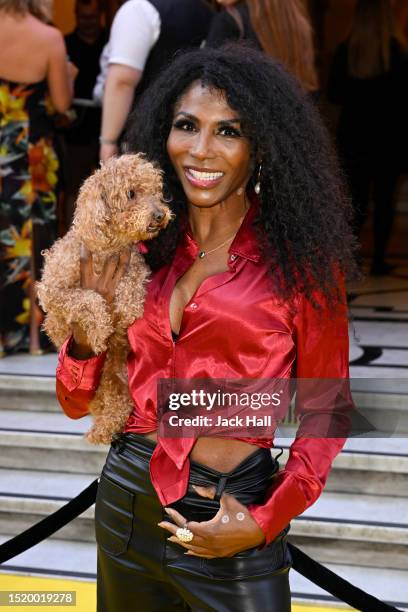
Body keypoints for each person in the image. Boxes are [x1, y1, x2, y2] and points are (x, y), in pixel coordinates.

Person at [55, 45, 357, 610]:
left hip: (231, 521)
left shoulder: (301, 264)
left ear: (260, 146)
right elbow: (74, 400)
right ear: (161, 136)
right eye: (187, 126)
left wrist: (266, 519)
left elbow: (327, 407)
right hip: (125, 504)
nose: (201, 150)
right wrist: (86, 326)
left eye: (228, 131)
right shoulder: (136, 251)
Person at [0, 0, 75, 356]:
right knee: (35, 243)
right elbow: (62, 104)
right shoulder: (48, 38)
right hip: (31, 153)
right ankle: (33, 338)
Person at [328, 0, 408, 276]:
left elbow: (334, 95)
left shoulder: (345, 51)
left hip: (354, 137)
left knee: (355, 203)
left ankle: (352, 260)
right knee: (385, 202)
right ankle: (379, 259)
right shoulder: (398, 53)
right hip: (389, 140)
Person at [94, 0, 214, 163]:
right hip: (188, 138)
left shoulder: (138, 10)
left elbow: (122, 81)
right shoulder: (207, 12)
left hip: (139, 141)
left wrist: (108, 141)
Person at [206, 0, 319, 93]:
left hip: (247, 116)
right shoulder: (295, 20)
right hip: (290, 114)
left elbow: (209, 82)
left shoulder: (228, 21)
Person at [63, 0, 108, 230]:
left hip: (107, 126)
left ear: (100, 15)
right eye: (83, 17)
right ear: (75, 15)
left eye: (92, 18)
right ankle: (72, 234)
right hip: (76, 131)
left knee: (109, 190)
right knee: (75, 188)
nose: (87, 23)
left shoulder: (111, 42)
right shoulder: (65, 44)